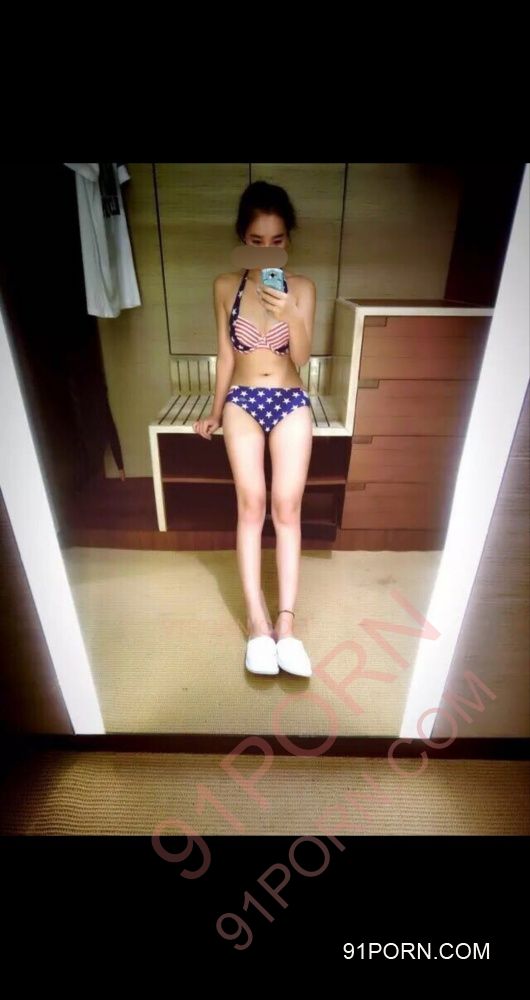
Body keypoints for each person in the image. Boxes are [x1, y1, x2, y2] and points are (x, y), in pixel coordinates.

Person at [193, 181, 316, 677]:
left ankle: (286, 624)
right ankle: (257, 622)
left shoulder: (302, 287)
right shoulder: (226, 286)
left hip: (290, 398)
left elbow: (302, 357)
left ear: (288, 240)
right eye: (256, 240)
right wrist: (215, 410)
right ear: (242, 239)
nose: (267, 250)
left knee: (287, 507)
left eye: (277, 240)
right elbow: (226, 355)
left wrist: (291, 313)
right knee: (252, 504)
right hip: (243, 399)